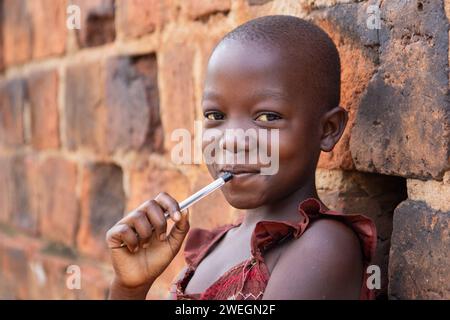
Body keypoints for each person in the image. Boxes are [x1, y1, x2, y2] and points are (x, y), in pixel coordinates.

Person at [106, 15, 377, 300]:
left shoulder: (322, 248)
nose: (232, 140)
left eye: (268, 117)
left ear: (327, 130)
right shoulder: (215, 246)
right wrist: (129, 288)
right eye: (216, 116)